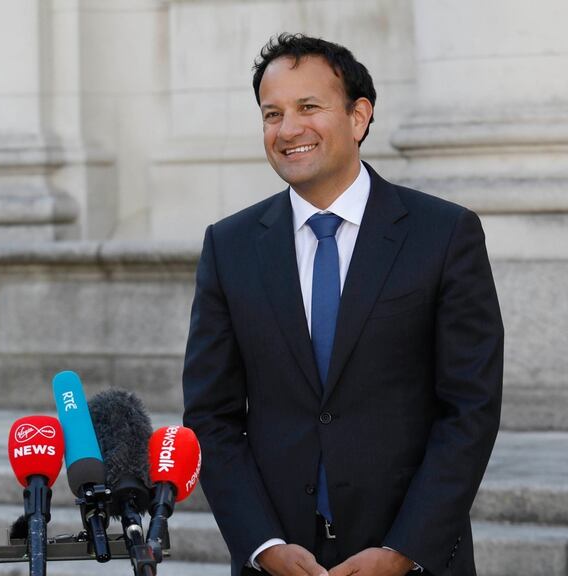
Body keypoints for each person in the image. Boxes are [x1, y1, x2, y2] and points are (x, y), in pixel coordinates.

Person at [182, 33, 503, 576]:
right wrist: (261, 545)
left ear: (359, 117)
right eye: (272, 114)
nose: (288, 130)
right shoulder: (229, 245)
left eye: (308, 107)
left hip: (413, 558)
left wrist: (405, 549)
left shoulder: (445, 234)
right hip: (279, 561)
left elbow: (469, 410)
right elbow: (210, 416)